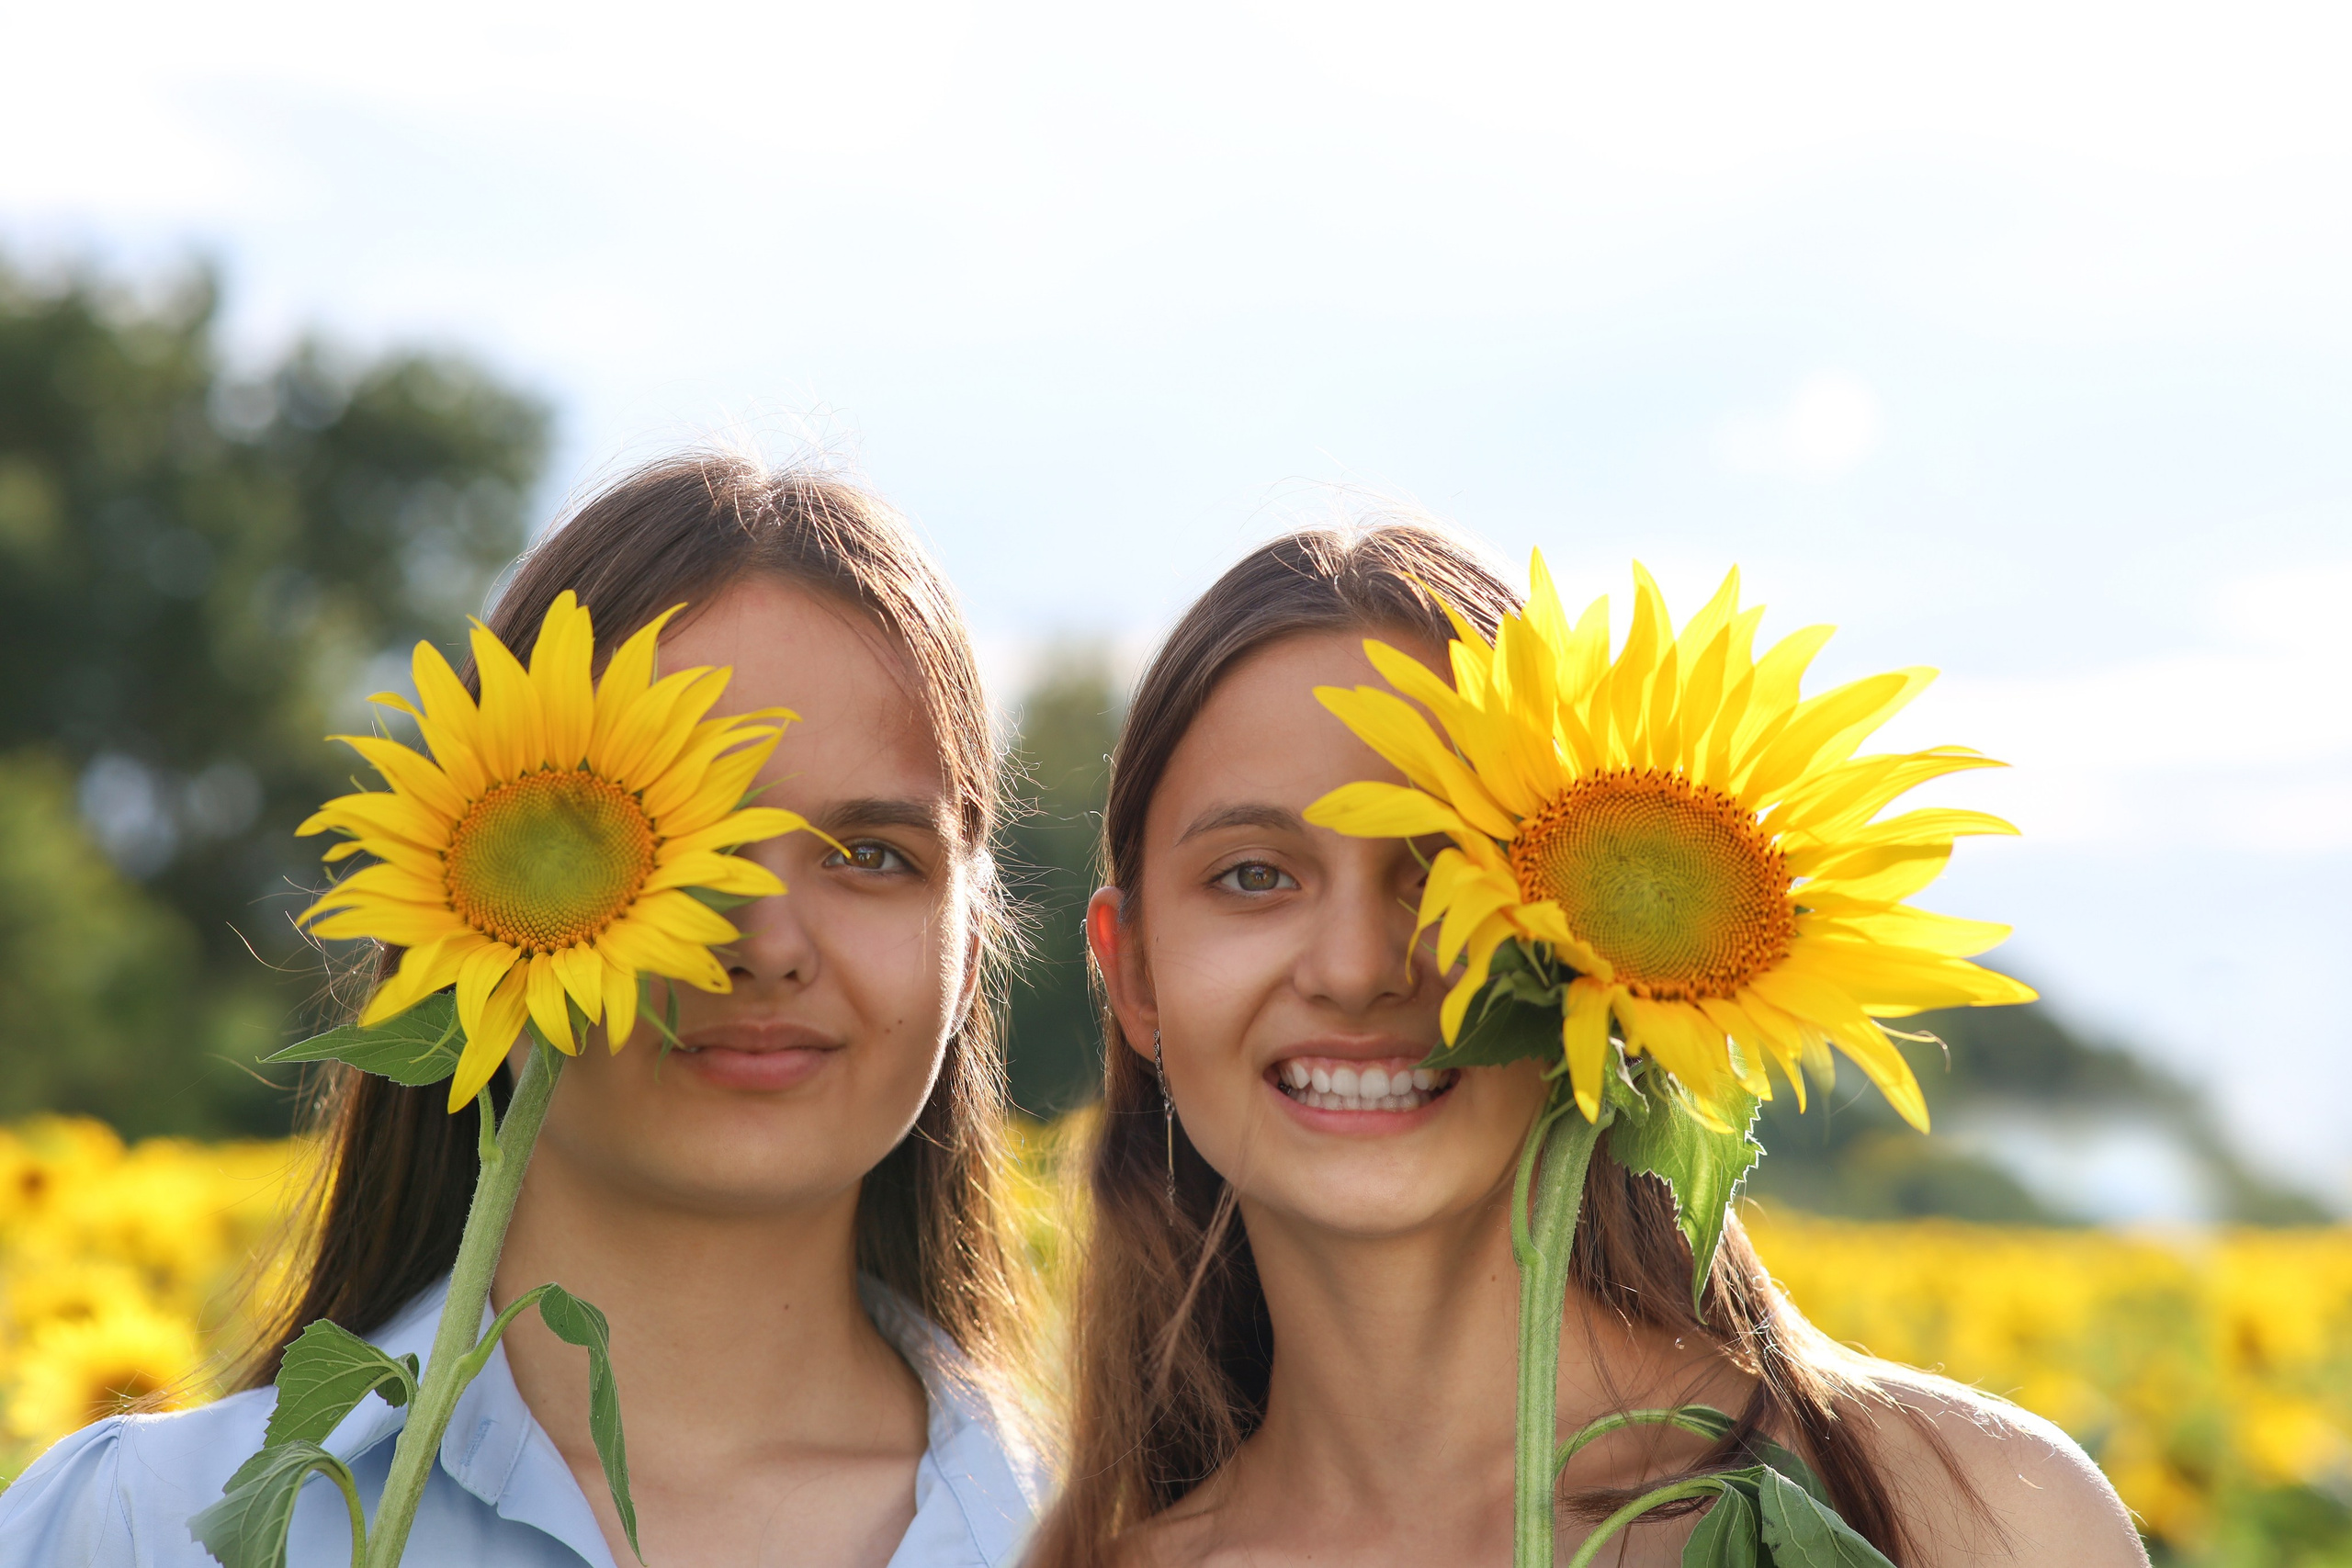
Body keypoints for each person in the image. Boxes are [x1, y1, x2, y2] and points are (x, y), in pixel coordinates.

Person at [1026, 520, 2148, 1567]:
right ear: (1136, 977)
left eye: (1445, 867)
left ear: (1604, 929)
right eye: (1252, 876)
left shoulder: (1979, 1515)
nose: (1359, 967)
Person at [0, 455, 1041, 1568]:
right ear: (475, 906)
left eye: (871, 856)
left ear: (970, 949)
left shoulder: (1104, 1540)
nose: (766, 945)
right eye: (677, 852)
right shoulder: (137, 1530)